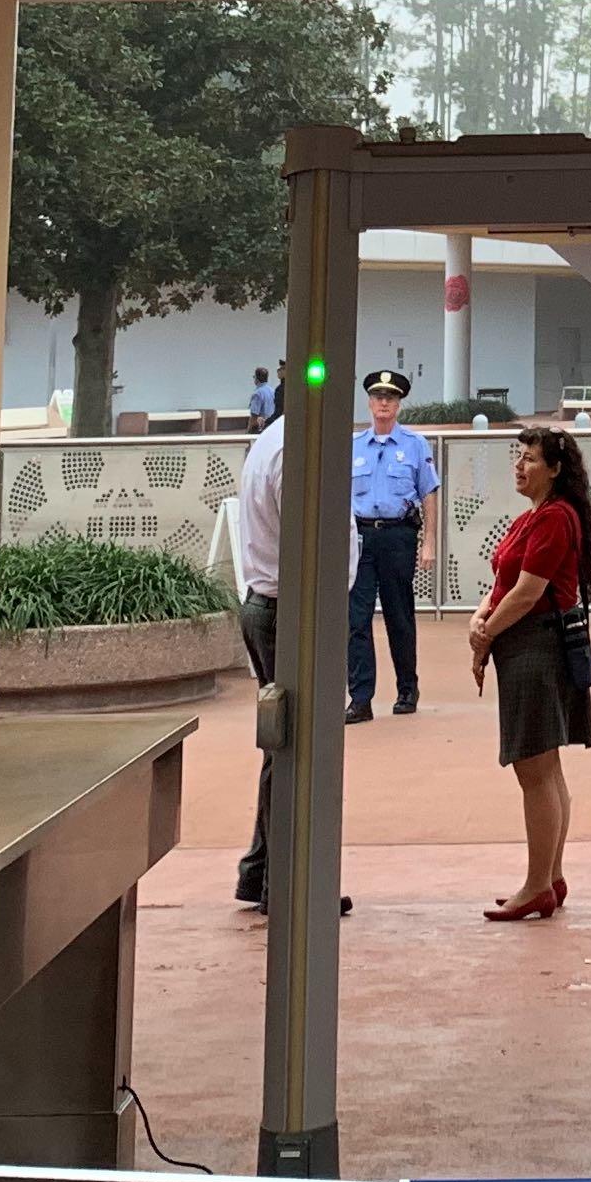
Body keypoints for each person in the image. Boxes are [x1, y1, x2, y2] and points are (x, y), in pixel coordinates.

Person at [466, 424, 591, 922]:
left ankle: (538, 883)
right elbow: (503, 581)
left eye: (530, 460)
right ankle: (551, 877)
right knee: (548, 769)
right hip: (523, 643)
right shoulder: (534, 517)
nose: (520, 467)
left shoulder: (555, 519)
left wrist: (486, 633)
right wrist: (482, 620)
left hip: (536, 647)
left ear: (556, 470)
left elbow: (526, 591)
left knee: (534, 771)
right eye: (518, 457)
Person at [231, 383, 352, 914]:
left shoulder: (273, 442)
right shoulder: (294, 451)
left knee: (283, 744)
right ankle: (287, 881)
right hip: (292, 610)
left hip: (275, 604)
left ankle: (263, 873)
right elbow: (309, 536)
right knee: (298, 747)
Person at [346, 367, 437, 722]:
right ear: (369, 403)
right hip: (361, 537)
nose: (384, 403)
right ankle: (361, 698)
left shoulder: (414, 445)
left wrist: (428, 541)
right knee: (357, 619)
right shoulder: (353, 447)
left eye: (391, 398)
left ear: (399, 405)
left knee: (399, 616)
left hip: (399, 536)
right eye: (379, 397)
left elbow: (429, 492)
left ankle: (406, 689)